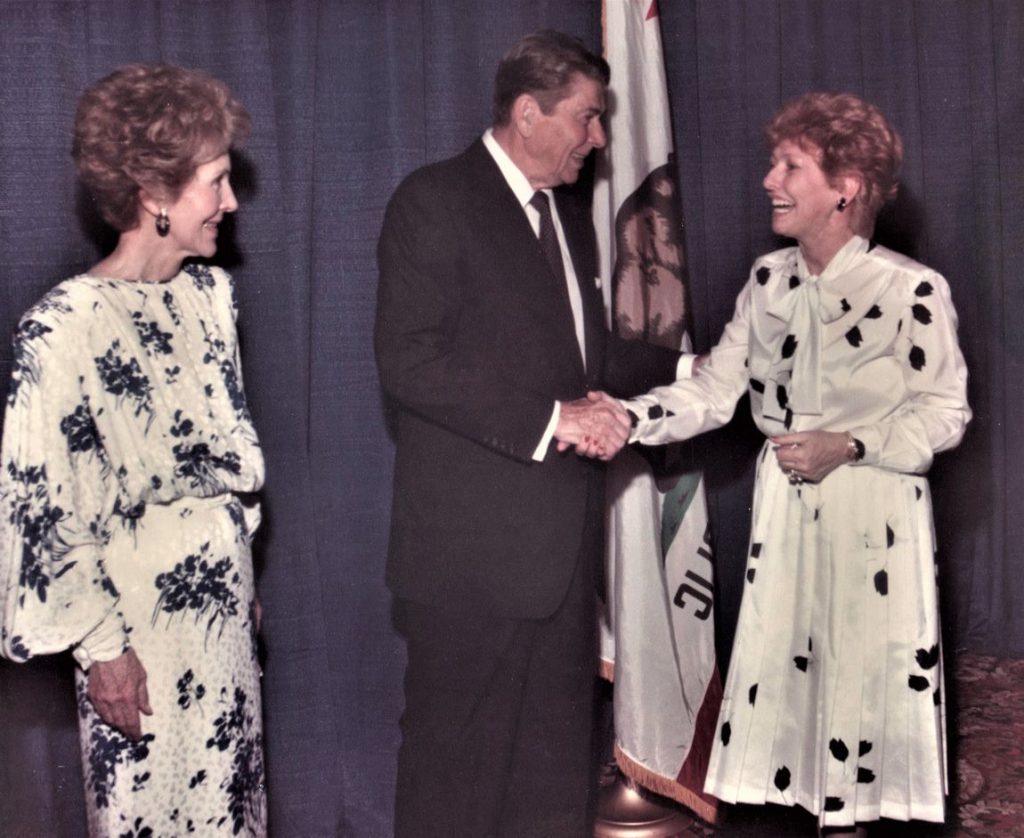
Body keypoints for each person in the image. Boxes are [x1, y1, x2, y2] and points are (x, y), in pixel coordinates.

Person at [621, 92, 970, 836]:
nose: (768, 181)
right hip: (786, 515)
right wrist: (624, 417)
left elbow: (946, 412)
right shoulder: (768, 282)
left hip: (870, 518)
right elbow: (715, 395)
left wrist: (849, 444)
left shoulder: (911, 291)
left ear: (845, 188)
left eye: (790, 166)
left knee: (858, 691)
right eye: (773, 163)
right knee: (796, 717)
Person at [375, 30, 683, 838]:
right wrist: (556, 420)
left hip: (562, 563)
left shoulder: (570, 217)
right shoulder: (433, 201)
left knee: (550, 784)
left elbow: (584, 355)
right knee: (456, 782)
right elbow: (410, 362)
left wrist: (699, 370)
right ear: (526, 112)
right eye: (586, 118)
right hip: (469, 569)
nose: (601, 139)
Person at [0, 65, 266, 836]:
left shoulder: (207, 298)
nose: (230, 202)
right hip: (136, 638)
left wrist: (237, 570)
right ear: (154, 193)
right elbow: (45, 508)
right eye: (215, 182)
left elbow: (227, 456)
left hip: (221, 627)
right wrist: (103, 650)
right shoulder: (63, 328)